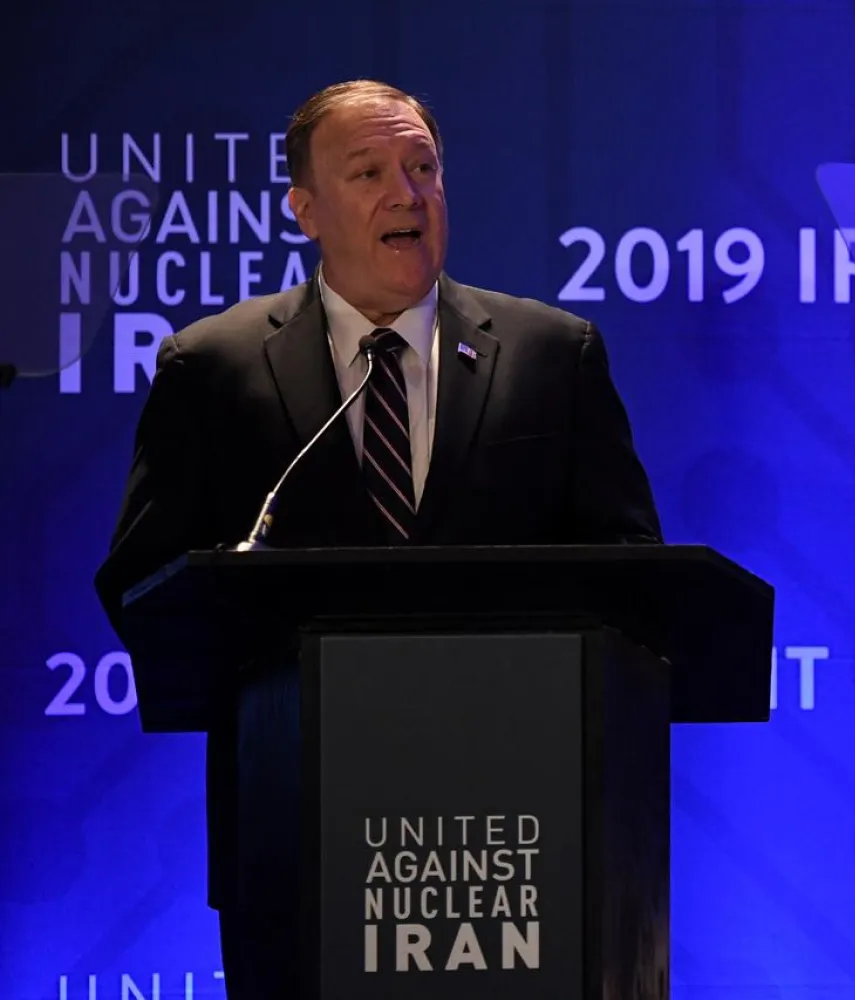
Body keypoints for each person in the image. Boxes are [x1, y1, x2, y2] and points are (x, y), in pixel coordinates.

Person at [92, 80, 662, 998]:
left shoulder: (554, 354)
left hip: (524, 839)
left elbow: (632, 572)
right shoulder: (213, 367)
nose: (408, 193)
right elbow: (142, 579)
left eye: (424, 167)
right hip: (294, 831)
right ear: (305, 209)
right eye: (369, 173)